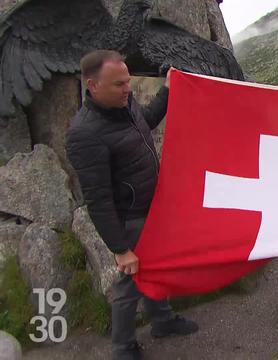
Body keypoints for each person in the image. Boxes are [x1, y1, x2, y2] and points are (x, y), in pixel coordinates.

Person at [66, 50, 198, 360]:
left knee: (155, 270)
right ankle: (123, 349)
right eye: (118, 84)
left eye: (127, 81)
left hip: (152, 208)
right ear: (92, 85)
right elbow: (97, 198)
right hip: (130, 218)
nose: (127, 88)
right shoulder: (84, 134)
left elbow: (147, 119)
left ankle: (163, 321)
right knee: (130, 285)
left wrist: (167, 88)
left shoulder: (123, 105)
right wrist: (120, 248)